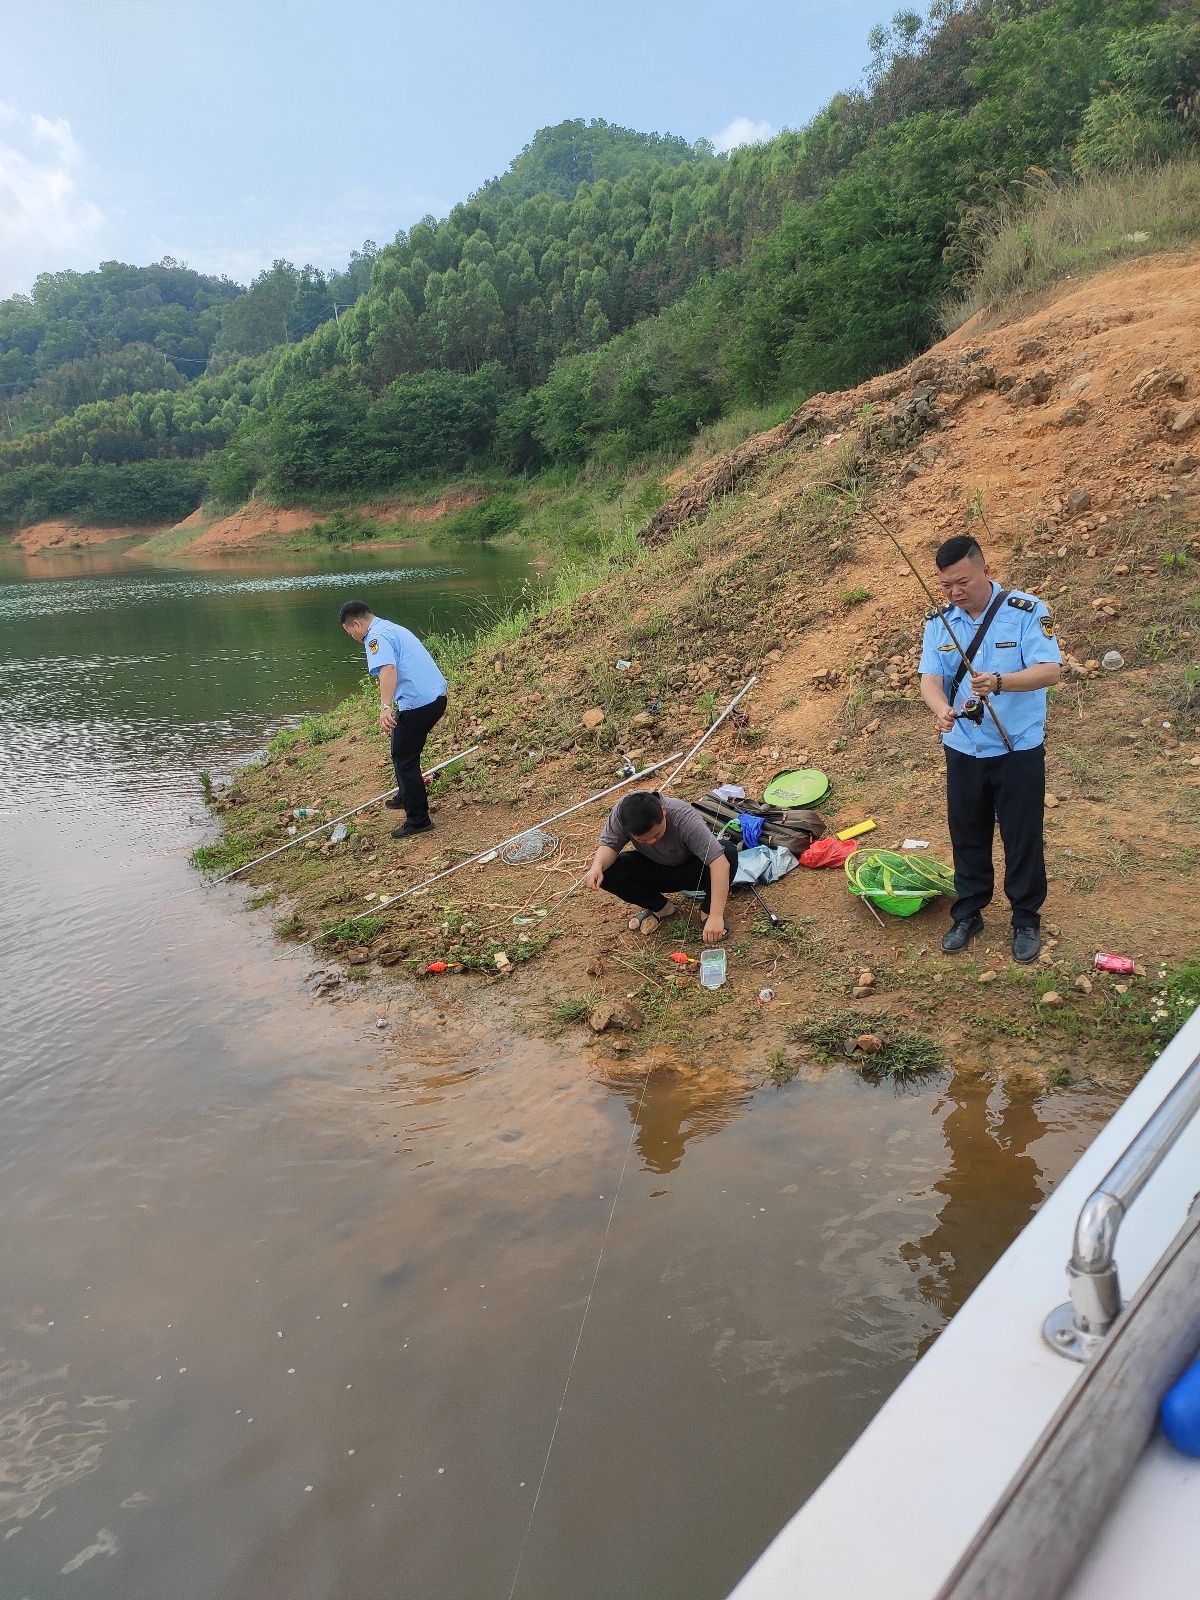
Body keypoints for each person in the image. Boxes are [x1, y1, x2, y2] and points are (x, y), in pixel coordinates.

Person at [918, 534, 1062, 964]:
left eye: (962, 581)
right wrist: (941, 709)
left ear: (985, 570)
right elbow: (931, 680)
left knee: (1021, 834)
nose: (954, 592)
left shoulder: (1026, 611)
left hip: (1017, 746)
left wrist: (1000, 682)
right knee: (967, 830)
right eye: (946, 586)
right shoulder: (940, 622)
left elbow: (1050, 671)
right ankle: (969, 911)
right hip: (963, 746)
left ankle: (1025, 918)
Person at [339, 600, 447, 839]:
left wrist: (385, 707)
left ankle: (419, 820)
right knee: (401, 747)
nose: (353, 637)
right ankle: (405, 796)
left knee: (403, 756)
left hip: (420, 703)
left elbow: (388, 668)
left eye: (350, 633)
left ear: (357, 624)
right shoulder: (389, 627)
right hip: (434, 697)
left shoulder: (375, 638)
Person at [585, 790, 735, 944]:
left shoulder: (684, 818)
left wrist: (716, 915)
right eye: (642, 840)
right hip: (656, 869)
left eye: (656, 834)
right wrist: (596, 867)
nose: (651, 842)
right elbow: (609, 845)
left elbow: (719, 864)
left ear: (663, 812)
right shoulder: (623, 815)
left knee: (727, 852)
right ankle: (662, 908)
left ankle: (708, 913)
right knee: (605, 869)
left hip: (692, 870)